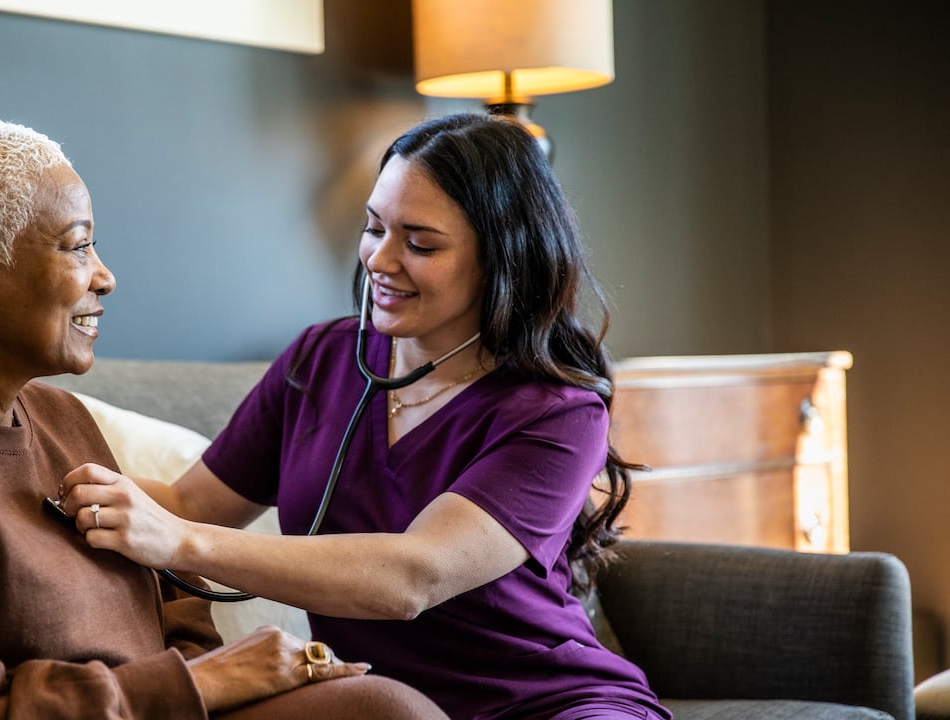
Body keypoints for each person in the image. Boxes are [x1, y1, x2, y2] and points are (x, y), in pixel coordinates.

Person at [0, 119, 449, 720]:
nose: (104, 276)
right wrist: (199, 683)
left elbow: (172, 611)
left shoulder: (58, 418)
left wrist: (214, 678)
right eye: (76, 245)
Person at [58, 113, 672, 720]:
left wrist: (182, 542)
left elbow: (414, 578)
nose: (380, 260)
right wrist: (32, 478)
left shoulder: (557, 413)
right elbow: (189, 503)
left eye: (420, 243)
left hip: (549, 703)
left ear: (503, 256)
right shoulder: (320, 360)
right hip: (380, 705)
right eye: (374, 228)